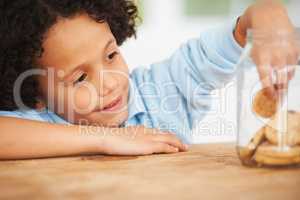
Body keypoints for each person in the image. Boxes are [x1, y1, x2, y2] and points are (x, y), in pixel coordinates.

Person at [0, 0, 298, 159]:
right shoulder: (37, 124)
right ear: (36, 94)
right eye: (80, 79)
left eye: (111, 55)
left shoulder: (162, 91)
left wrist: (268, 16)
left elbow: (243, 28)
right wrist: (105, 138)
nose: (109, 83)